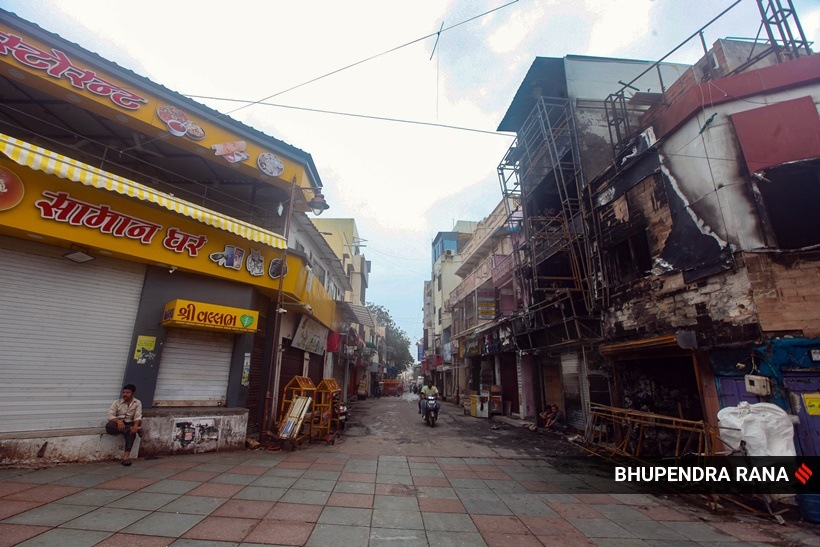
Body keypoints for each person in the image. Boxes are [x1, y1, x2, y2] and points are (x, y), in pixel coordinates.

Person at [106, 384, 143, 466]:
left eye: (127, 392)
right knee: (109, 426)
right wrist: (118, 421)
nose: (125, 394)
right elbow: (110, 416)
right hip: (117, 424)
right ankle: (132, 429)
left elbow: (138, 416)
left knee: (131, 432)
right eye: (123, 392)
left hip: (129, 423)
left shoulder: (137, 403)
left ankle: (126, 458)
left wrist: (136, 425)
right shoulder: (117, 402)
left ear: (132, 394)